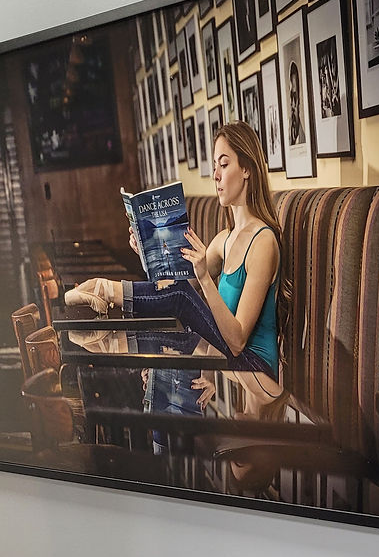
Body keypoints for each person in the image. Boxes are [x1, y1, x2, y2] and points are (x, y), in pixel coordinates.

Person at [66, 120, 286, 429]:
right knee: (180, 303)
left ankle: (102, 291)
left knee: (184, 296)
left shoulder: (263, 242)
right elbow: (170, 285)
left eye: (225, 164)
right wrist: (147, 251)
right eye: (215, 166)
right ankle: (107, 325)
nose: (216, 176)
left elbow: (236, 340)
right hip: (232, 370)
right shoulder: (225, 238)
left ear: (247, 168)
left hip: (257, 374)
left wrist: (205, 279)